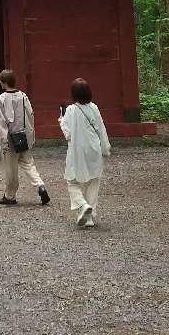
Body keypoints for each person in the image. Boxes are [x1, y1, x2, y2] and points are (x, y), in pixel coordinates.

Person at [59, 78, 110, 229]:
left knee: (73, 181)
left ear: (73, 94)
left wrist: (61, 120)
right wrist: (105, 148)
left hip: (77, 150)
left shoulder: (70, 110)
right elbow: (101, 129)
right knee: (93, 182)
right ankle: (90, 217)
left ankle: (82, 205)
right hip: (94, 149)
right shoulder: (94, 108)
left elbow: (67, 134)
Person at [0, 69, 50, 207]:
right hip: (23, 136)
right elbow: (30, 115)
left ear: (3, 83)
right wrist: (31, 135)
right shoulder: (23, 96)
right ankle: (40, 186)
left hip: (9, 138)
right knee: (29, 164)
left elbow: (3, 122)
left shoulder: (1, 99)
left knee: (11, 169)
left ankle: (10, 196)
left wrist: (4, 141)